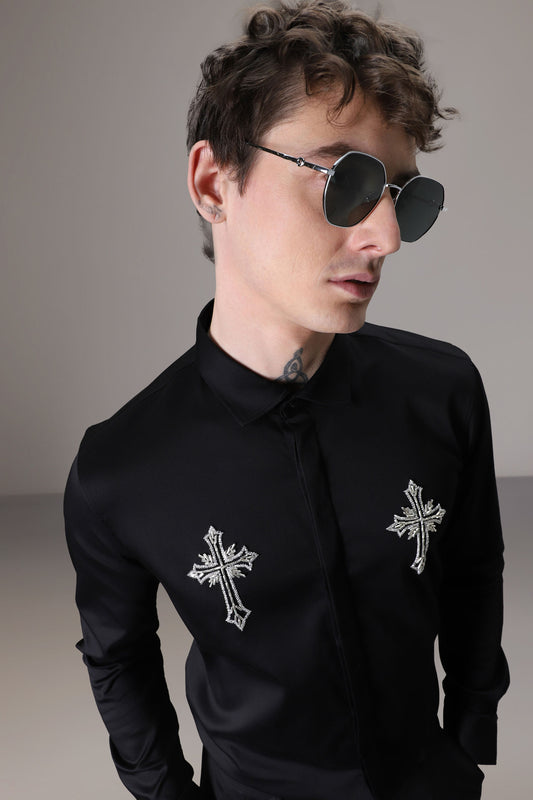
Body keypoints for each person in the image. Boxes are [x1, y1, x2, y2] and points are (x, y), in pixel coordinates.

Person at [64, 2, 510, 799]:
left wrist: (469, 738)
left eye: (403, 196)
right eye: (345, 181)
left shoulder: (440, 390)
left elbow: (474, 569)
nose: (385, 237)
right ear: (213, 182)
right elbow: (118, 658)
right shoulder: (120, 468)